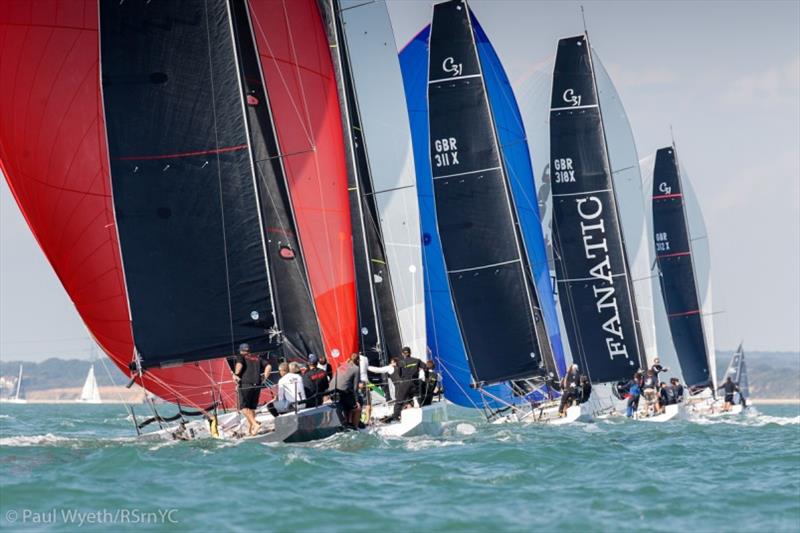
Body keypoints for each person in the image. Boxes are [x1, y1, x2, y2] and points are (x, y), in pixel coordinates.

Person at [232, 343, 271, 435]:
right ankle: (250, 430)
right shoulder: (257, 357)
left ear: (241, 350)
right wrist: (264, 377)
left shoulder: (241, 356)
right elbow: (268, 366)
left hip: (246, 385)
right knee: (251, 408)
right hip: (257, 385)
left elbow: (239, 365)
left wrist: (236, 375)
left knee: (244, 408)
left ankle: (255, 424)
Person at [385, 347, 424, 422]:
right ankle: (418, 409)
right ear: (410, 353)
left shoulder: (401, 363)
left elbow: (399, 373)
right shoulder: (417, 360)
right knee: (416, 396)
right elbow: (425, 367)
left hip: (405, 383)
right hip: (415, 383)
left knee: (399, 401)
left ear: (403, 354)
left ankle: (395, 417)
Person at [328, 353, 361, 428]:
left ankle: (348, 423)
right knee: (357, 408)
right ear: (358, 360)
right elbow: (355, 387)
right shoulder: (356, 368)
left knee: (347, 404)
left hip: (331, 390)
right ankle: (356, 428)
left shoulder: (342, 365)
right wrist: (356, 401)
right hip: (341, 392)